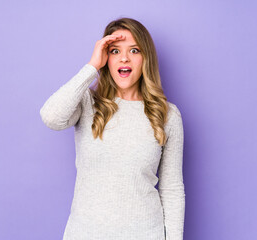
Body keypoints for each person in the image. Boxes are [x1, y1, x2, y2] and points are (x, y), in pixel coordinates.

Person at [40, 17, 185, 240]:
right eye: (115, 51)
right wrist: (91, 67)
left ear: (146, 58)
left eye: (134, 50)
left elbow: (172, 190)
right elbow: (51, 117)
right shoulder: (88, 103)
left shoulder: (168, 116)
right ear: (106, 58)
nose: (124, 58)